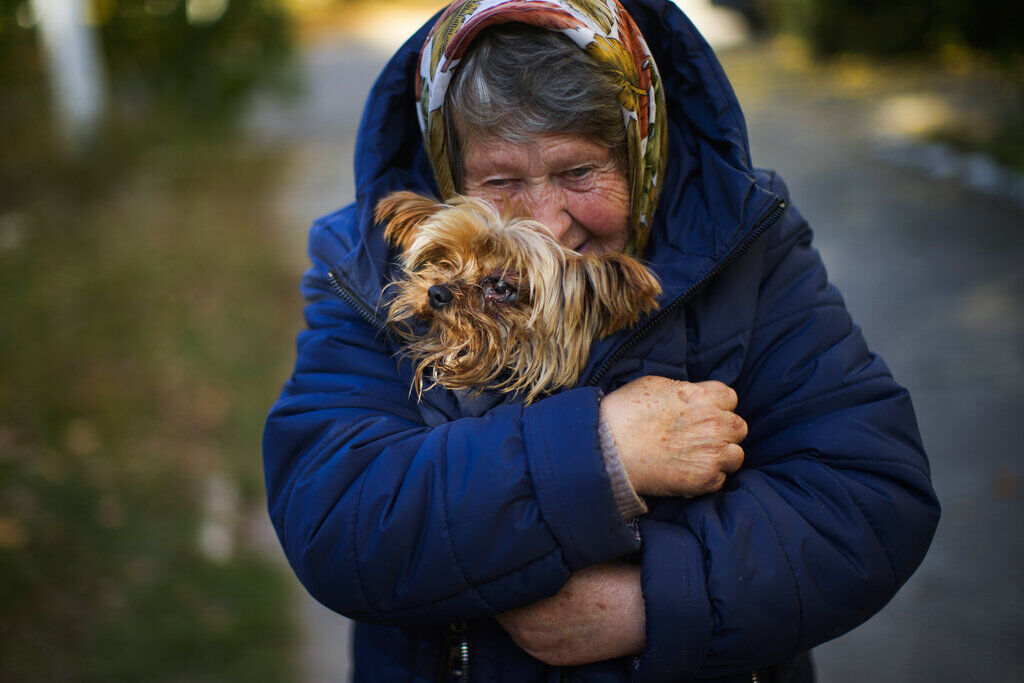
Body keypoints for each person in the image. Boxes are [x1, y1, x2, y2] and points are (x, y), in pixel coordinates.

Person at [262, 0, 941, 680]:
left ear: (641, 153)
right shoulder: (365, 265)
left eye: (579, 173)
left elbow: (870, 501)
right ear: (451, 170)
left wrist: (654, 602)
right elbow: (338, 518)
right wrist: (604, 452)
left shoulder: (749, 245)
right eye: (500, 181)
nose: (548, 224)